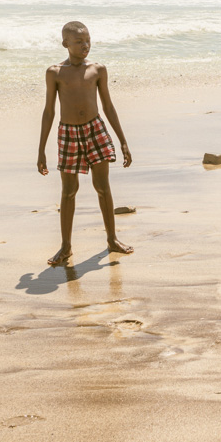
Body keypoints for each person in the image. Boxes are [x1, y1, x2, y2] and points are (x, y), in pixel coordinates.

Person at [37, 21, 134, 266]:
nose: (85, 46)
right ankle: (66, 247)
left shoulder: (98, 69)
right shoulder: (55, 72)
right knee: (69, 192)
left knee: (102, 187)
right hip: (68, 134)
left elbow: (108, 106)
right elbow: (48, 111)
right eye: (79, 42)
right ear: (65, 44)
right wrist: (41, 150)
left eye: (87, 40)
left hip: (95, 130)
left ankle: (112, 239)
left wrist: (122, 141)